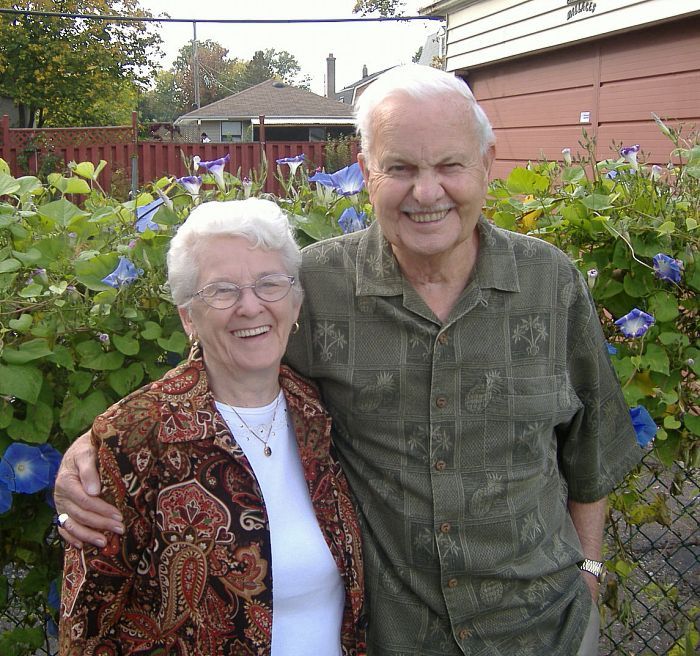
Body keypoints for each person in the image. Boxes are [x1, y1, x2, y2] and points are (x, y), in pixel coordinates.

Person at [55, 65, 642, 655]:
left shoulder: (550, 282)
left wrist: (589, 571)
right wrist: (99, 448)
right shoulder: (318, 285)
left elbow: (591, 446)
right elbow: (226, 359)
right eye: (402, 168)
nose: (427, 192)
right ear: (366, 173)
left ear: (486, 165)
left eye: (450, 166)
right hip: (398, 636)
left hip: (546, 629)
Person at [57, 199, 364, 655]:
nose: (250, 306)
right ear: (187, 316)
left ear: (295, 301)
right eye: (221, 291)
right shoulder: (134, 437)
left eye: (269, 284)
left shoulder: (320, 411)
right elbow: (88, 623)